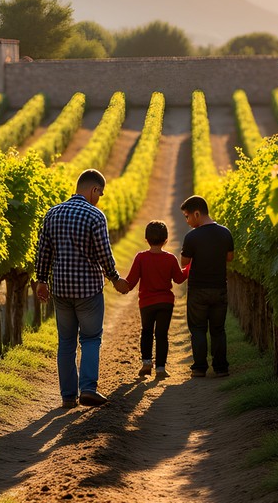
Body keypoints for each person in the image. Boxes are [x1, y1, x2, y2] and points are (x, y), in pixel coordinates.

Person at [34, 169, 129, 409]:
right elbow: (104, 254)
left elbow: (43, 251)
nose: (99, 199)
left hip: (61, 290)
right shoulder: (95, 216)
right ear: (94, 189)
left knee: (65, 342)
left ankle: (68, 396)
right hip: (88, 291)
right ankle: (87, 389)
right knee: (90, 339)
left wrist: (41, 280)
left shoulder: (52, 213)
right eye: (100, 194)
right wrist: (115, 278)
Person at [123, 220, 188, 380]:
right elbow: (179, 279)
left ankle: (146, 362)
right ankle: (160, 368)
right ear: (166, 239)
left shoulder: (141, 258)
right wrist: (189, 267)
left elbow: (130, 282)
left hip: (146, 302)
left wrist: (117, 281)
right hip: (166, 302)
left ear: (146, 239)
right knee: (161, 334)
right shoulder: (171, 258)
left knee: (146, 331)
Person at [179, 195, 234, 378]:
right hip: (219, 288)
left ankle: (199, 368)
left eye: (187, 216)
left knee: (198, 329)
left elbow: (184, 261)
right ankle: (221, 368)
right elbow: (229, 258)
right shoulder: (225, 232)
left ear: (196, 213)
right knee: (218, 330)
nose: (187, 221)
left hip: (198, 291)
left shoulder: (192, 237)